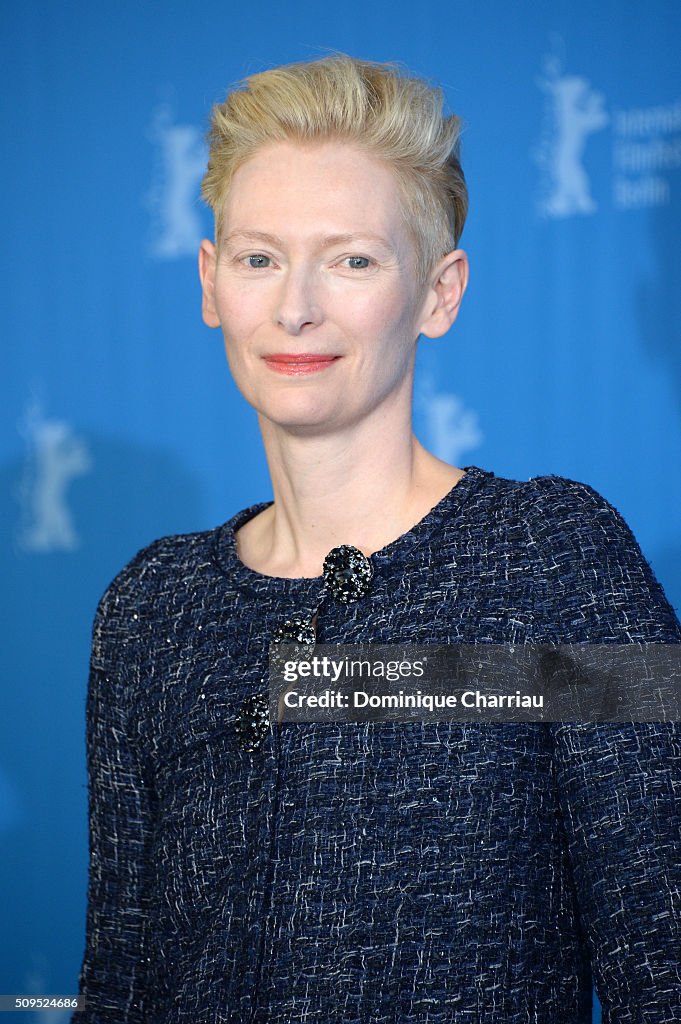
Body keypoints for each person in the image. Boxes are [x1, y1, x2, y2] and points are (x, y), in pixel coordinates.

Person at [75, 54, 681, 1023]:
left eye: (351, 258)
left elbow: (667, 962)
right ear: (209, 281)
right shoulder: (151, 610)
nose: (295, 306)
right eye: (259, 256)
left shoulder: (558, 558)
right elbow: (119, 983)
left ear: (439, 294)